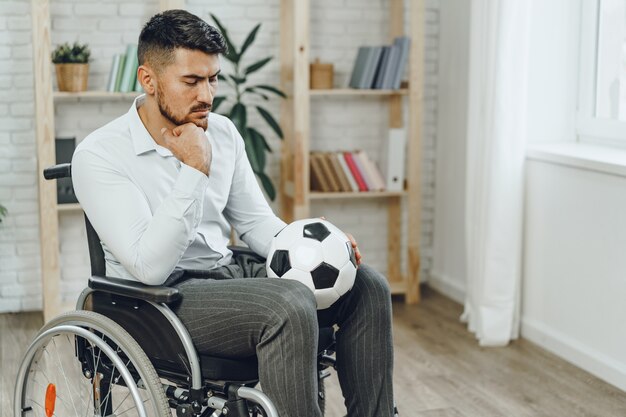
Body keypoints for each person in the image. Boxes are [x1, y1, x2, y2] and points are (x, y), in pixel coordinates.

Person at [72, 9, 395, 417]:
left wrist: (315, 246)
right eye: (191, 81)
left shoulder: (223, 131)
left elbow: (257, 224)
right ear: (149, 79)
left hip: (228, 277)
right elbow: (149, 267)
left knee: (366, 285)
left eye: (212, 79)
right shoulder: (99, 154)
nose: (207, 95)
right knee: (288, 302)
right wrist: (194, 168)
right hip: (159, 300)